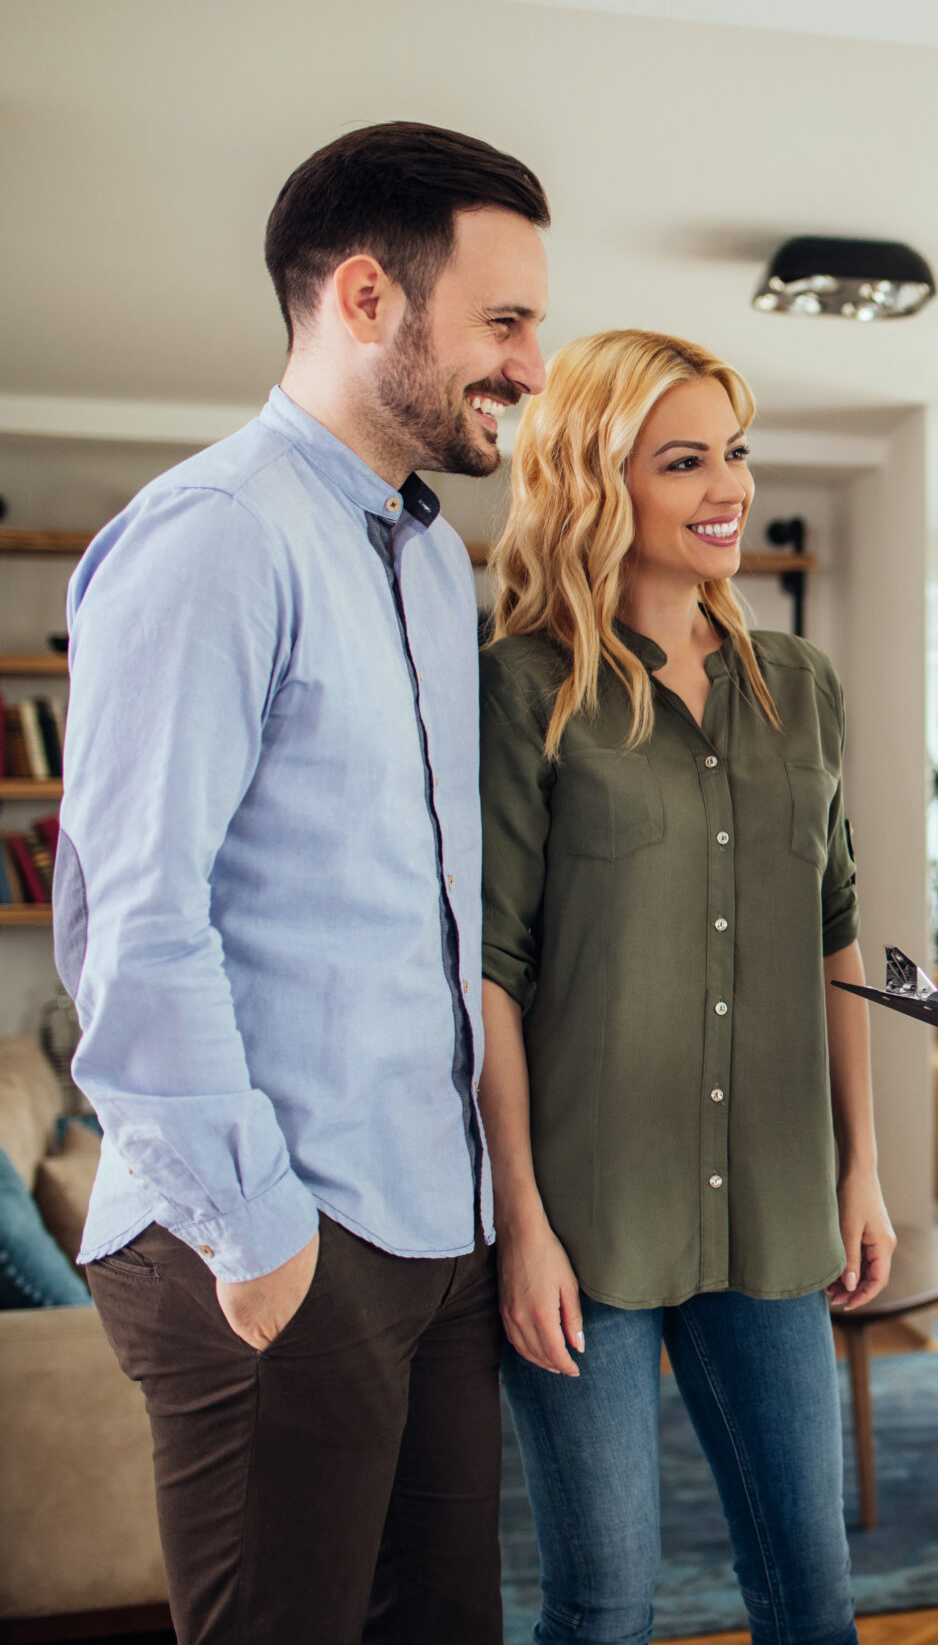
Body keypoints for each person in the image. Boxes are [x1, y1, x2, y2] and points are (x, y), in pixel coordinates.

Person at [54, 121, 549, 1643]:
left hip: (430, 1221)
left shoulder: (419, 552)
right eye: (506, 319)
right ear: (363, 297)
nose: (534, 364)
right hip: (272, 1229)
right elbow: (134, 929)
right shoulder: (215, 539)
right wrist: (260, 1235)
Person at [479, 328, 893, 1645]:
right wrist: (521, 1220)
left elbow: (836, 931)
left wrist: (860, 1166)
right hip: (587, 1222)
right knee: (603, 1605)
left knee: (811, 1595)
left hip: (773, 1207)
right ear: (602, 483)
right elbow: (490, 968)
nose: (727, 488)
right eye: (683, 461)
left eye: (734, 453)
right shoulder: (523, 690)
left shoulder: (803, 689)